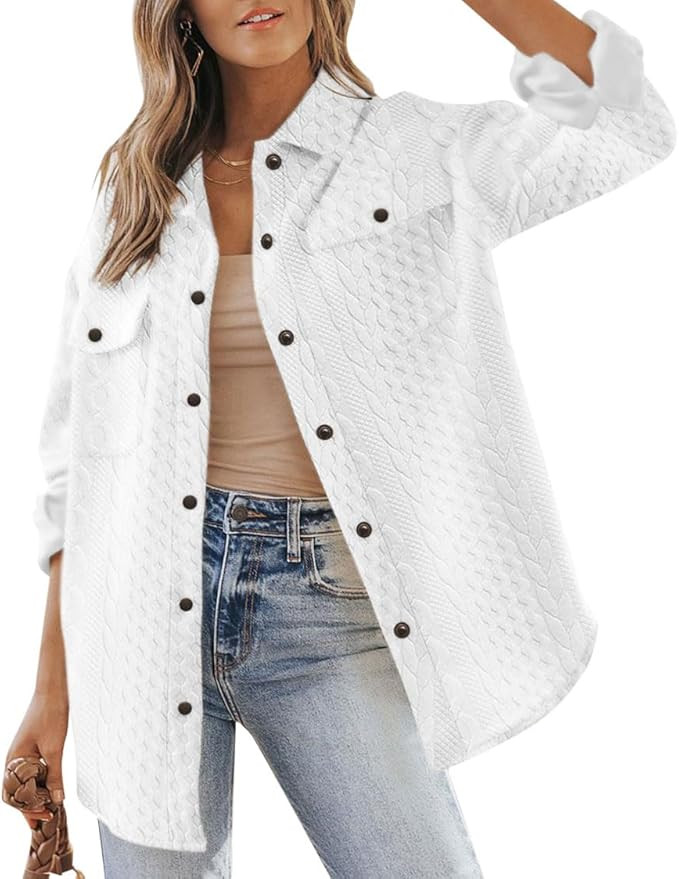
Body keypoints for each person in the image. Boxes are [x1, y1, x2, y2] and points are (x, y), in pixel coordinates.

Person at [5, 1, 675, 877]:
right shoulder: (134, 189)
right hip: (135, 614)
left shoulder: (414, 150)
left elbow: (629, 124)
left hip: (327, 604)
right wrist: (50, 693)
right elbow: (79, 468)